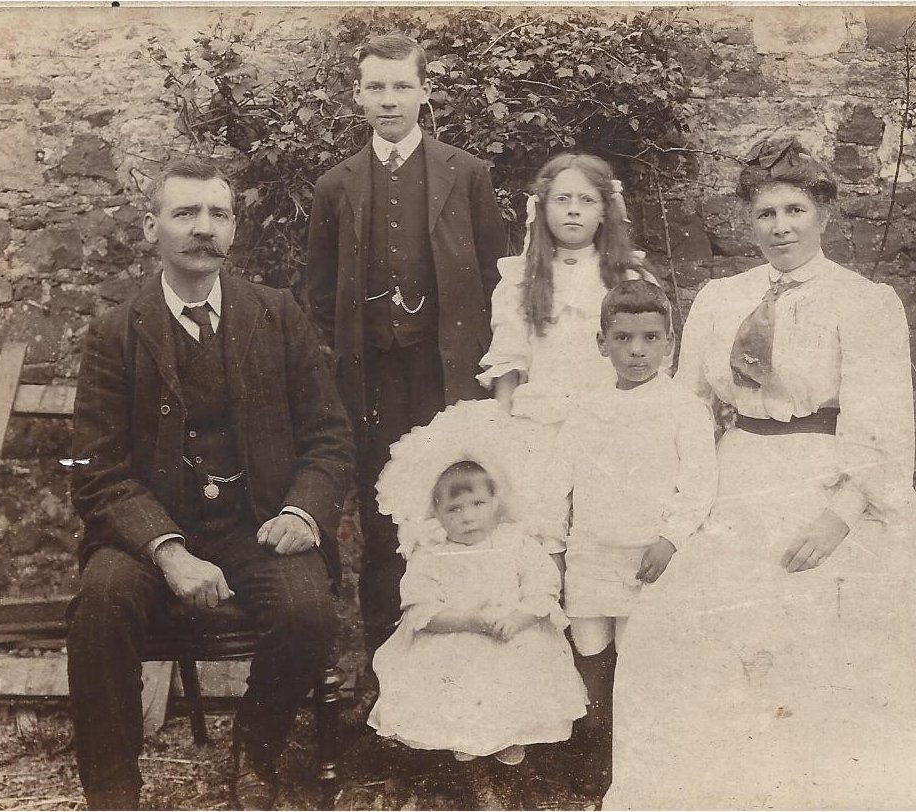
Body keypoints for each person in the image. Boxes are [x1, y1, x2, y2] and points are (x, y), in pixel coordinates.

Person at [603, 137, 916, 810]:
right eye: (765, 214)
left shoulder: (863, 301)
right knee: (686, 618)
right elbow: (690, 410)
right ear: (746, 221)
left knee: (835, 626)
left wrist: (839, 516)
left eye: (793, 210)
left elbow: (880, 420)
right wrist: (677, 509)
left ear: (821, 215)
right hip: (733, 476)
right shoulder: (718, 299)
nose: (779, 227)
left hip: (825, 475)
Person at [69, 157, 354, 811]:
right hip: (151, 534)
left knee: (307, 610)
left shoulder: (277, 316)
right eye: (185, 213)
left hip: (257, 523)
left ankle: (256, 756)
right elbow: (97, 469)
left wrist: (303, 514)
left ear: (233, 227)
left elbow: (329, 438)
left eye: (218, 214)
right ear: (152, 228)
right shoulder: (116, 333)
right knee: (100, 600)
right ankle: (112, 792)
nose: (204, 229)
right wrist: (167, 552)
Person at [305, 32, 508, 661]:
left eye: (401, 86)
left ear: (424, 91)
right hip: (373, 383)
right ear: (357, 96)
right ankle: (389, 683)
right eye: (375, 87)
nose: (388, 99)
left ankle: (470, 678)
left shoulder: (467, 174)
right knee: (384, 519)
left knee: (462, 515)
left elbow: (496, 277)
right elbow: (317, 297)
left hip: (448, 377)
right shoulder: (334, 187)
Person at [548, 279, 717, 796]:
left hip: (651, 559)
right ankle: (594, 750)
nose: (637, 350)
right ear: (602, 343)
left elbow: (699, 483)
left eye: (650, 337)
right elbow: (559, 483)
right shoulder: (583, 408)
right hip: (592, 556)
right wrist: (555, 548)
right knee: (590, 652)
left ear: (669, 342)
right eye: (623, 338)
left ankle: (640, 764)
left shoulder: (684, 408)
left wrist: (670, 539)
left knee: (643, 663)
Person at [477, 153, 651, 563]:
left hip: (609, 421)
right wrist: (503, 429)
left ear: (606, 211)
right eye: (562, 199)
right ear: (541, 208)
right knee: (542, 529)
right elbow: (510, 358)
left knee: (602, 529)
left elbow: (645, 361)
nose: (573, 209)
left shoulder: (627, 277)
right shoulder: (520, 277)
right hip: (540, 421)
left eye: (587, 200)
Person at [367, 459, 587, 765]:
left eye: (478, 504)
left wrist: (518, 618)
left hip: (511, 629)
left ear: (496, 502)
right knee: (456, 676)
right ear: (437, 513)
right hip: (458, 631)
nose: (468, 517)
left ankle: (512, 734)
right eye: (454, 509)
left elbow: (543, 586)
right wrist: (466, 620)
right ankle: (466, 734)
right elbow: (421, 606)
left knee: (514, 672)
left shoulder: (515, 542)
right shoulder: (432, 552)